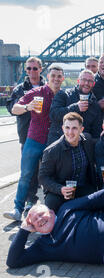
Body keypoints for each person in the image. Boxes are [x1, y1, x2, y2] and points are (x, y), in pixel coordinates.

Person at [3, 65, 65, 222]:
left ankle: (51, 210)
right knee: (26, 175)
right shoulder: (36, 92)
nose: (56, 79)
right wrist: (27, 107)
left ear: (63, 79)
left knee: (53, 176)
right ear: (48, 76)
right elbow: (15, 108)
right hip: (35, 139)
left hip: (54, 142)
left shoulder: (65, 95)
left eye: (59, 76)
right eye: (53, 76)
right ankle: (17, 209)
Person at [6, 57, 45, 214]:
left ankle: (45, 205)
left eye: (34, 68)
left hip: (45, 136)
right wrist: (27, 107)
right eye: (28, 69)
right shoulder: (20, 89)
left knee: (46, 172)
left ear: (40, 69)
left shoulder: (47, 87)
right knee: (28, 171)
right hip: (27, 136)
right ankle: (28, 202)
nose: (31, 71)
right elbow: (12, 108)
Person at [39, 112, 97, 213]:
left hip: (83, 188)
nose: (70, 132)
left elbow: (102, 141)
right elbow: (43, 178)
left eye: (74, 128)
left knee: (98, 202)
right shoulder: (52, 151)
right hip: (60, 190)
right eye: (67, 128)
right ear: (62, 128)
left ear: (81, 129)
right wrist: (60, 189)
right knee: (51, 205)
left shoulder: (87, 140)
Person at [48, 69, 102, 145]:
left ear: (93, 84)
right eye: (84, 80)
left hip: (80, 147)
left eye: (90, 81)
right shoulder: (63, 94)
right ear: (78, 81)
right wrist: (76, 107)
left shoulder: (95, 105)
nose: (86, 83)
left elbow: (96, 132)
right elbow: (53, 115)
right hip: (59, 144)